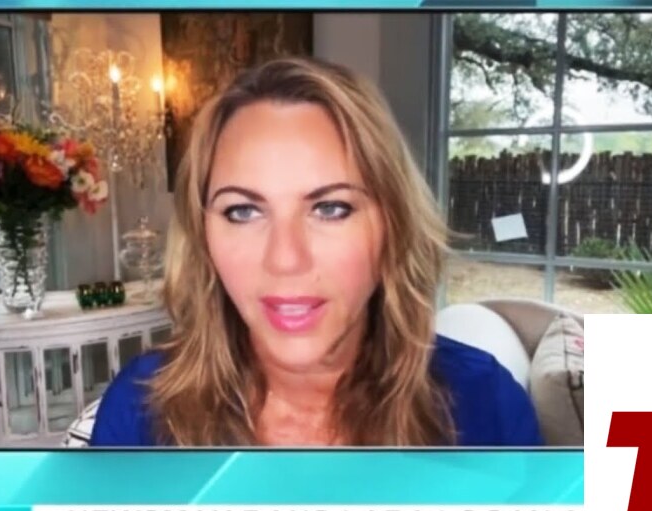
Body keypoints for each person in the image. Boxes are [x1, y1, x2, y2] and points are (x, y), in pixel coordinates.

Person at [91, 57, 542, 447]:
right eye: (243, 211)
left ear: (394, 224)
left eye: (331, 208)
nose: (286, 259)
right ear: (202, 234)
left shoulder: (486, 406)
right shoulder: (139, 411)